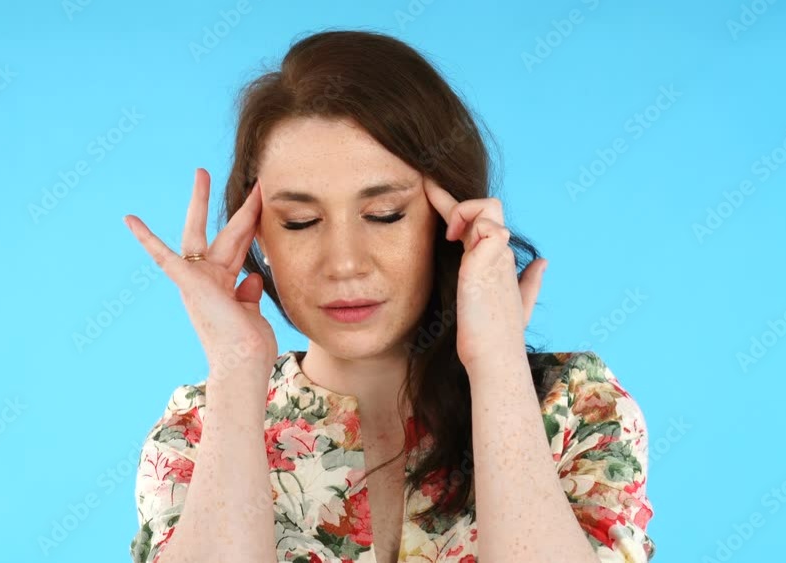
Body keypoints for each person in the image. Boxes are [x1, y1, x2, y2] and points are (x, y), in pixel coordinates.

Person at [124, 30, 655, 563]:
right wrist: (237, 370)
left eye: (384, 215)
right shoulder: (195, 432)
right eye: (301, 221)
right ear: (257, 235)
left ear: (449, 219)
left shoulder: (572, 407)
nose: (345, 263)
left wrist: (496, 365)